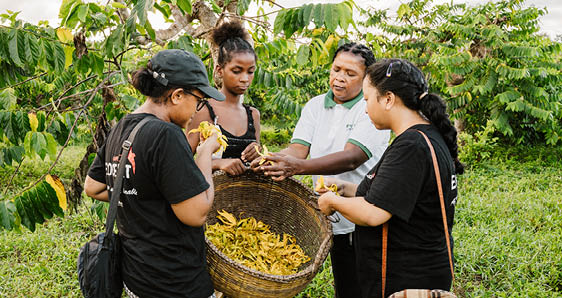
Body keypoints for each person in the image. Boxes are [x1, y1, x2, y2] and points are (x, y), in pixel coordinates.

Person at [317, 58, 465, 297]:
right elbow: (392, 195)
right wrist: (344, 188)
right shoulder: (425, 137)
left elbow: (374, 213)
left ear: (388, 99)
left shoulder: (412, 146)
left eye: (367, 100)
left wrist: (332, 202)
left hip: (406, 279)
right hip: (422, 271)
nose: (365, 109)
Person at [84, 49, 225, 298]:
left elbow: (93, 187)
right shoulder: (166, 135)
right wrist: (205, 155)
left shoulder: (122, 128)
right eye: (199, 100)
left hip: (137, 277)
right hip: (176, 283)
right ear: (177, 95)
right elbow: (197, 213)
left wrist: (139, 194)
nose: (197, 111)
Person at [252, 43, 390, 298]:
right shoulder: (316, 106)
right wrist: (270, 157)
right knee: (345, 283)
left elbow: (352, 158)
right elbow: (297, 150)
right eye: (336, 69)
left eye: (350, 73)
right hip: (331, 214)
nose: (339, 77)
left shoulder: (370, 108)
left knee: (368, 286)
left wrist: (298, 167)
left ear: (366, 79)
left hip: (365, 211)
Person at [187, 21, 261, 176]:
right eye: (236, 71)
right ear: (219, 70)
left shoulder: (253, 115)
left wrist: (257, 153)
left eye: (250, 71)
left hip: (246, 197)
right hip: (212, 196)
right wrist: (217, 163)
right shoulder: (204, 111)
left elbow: (257, 160)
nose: (244, 79)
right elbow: (183, 163)